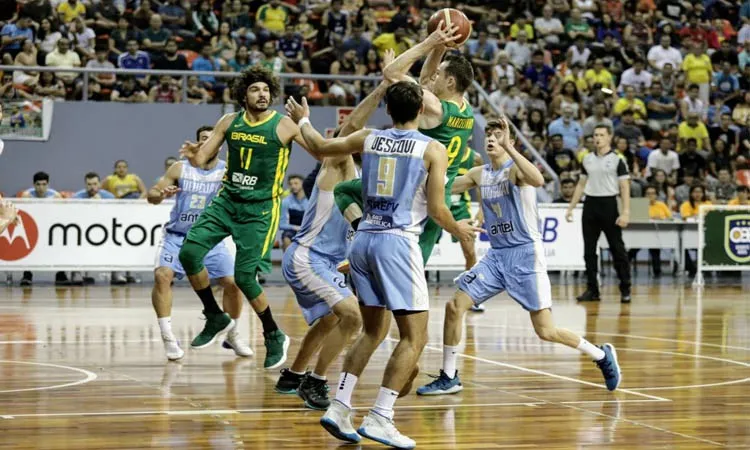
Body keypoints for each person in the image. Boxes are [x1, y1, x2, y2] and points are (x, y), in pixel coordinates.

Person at [286, 81, 480, 449]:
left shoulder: (370, 137)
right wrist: (461, 230)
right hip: (398, 243)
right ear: (422, 110)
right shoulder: (433, 148)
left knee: (372, 332)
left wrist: (305, 120)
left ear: (387, 111)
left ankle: (340, 407)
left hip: (362, 241)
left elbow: (321, 147)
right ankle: (381, 417)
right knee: (415, 336)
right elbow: (438, 209)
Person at [416, 117, 621, 398]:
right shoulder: (479, 173)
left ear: (508, 140)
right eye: (488, 135)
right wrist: (426, 167)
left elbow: (538, 179)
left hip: (525, 255)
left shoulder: (516, 171)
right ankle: (450, 376)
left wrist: (511, 147)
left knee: (546, 331)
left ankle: (600, 355)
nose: (490, 139)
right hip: (497, 256)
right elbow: (444, 188)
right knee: (454, 307)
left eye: (497, 134)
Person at [177, 66, 313, 370]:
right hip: (227, 201)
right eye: (255, 89)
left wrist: (304, 122)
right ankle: (214, 316)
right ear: (243, 95)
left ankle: (274, 334)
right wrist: (193, 153)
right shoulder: (229, 121)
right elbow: (202, 160)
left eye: (266, 89)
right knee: (189, 253)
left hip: (261, 209)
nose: (262, 94)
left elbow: (320, 152)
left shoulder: (284, 125)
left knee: (244, 278)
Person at [274, 76, 394, 411]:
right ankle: (316, 382)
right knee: (352, 319)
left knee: (330, 319)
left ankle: (294, 374)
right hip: (307, 257)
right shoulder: (339, 163)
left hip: (325, 261)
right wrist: (383, 88)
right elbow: (351, 124)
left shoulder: (368, 180)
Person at [333, 22, 474, 265]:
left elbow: (391, 72)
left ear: (450, 82)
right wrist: (440, 47)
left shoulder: (436, 108)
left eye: (441, 73)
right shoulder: (466, 109)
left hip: (413, 190)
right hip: (442, 193)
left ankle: (360, 232)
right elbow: (427, 79)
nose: (434, 76)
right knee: (414, 272)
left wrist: (429, 43)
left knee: (343, 190)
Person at [147, 126, 253, 361]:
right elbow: (151, 195)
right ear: (197, 143)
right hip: (177, 236)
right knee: (162, 276)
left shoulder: (227, 171)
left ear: (219, 144)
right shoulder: (180, 167)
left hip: (210, 237)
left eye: (212, 139)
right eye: (203, 139)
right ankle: (168, 337)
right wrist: (161, 194)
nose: (208, 143)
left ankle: (232, 334)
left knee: (232, 283)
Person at [565, 125, 632, 303]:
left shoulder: (618, 159)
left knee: (617, 249)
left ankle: (625, 288)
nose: (598, 138)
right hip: (590, 204)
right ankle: (592, 289)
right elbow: (581, 184)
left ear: (610, 137)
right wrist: (571, 207)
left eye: (602, 135)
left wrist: (625, 212)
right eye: (595, 135)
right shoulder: (586, 159)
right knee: (589, 251)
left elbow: (625, 187)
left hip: (609, 204)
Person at [279, 174, 308, 251]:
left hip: (307, 230)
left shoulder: (310, 201)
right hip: (292, 231)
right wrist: (296, 227)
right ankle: (288, 262)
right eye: (291, 184)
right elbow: (281, 225)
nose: (293, 186)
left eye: (296, 183)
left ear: (303, 184)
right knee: (286, 238)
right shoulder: (286, 202)